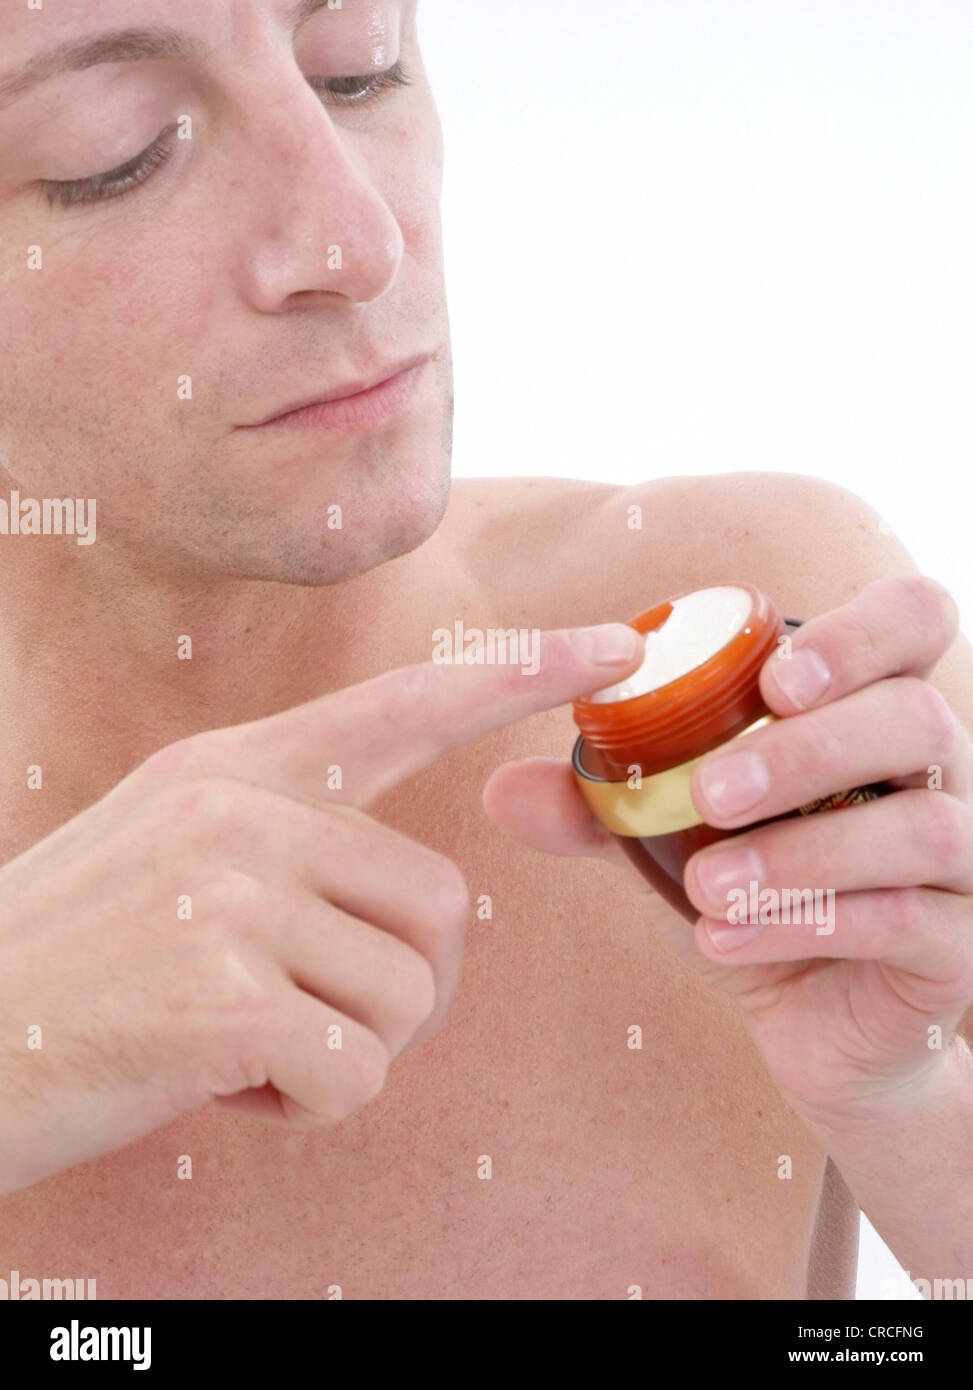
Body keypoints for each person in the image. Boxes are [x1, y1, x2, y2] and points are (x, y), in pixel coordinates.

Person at [0, 0, 970, 1300]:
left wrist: (911, 1107)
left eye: (357, 63)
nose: (356, 236)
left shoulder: (785, 654)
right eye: (111, 151)